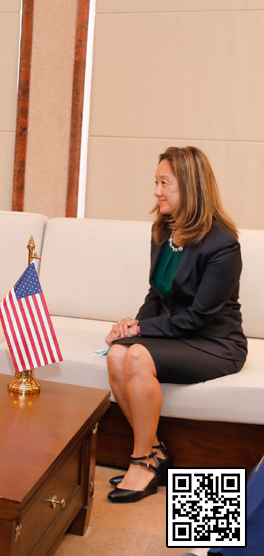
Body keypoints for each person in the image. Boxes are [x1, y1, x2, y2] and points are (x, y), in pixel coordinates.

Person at [105, 146, 246, 503]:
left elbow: (200, 316)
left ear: (190, 187)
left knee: (135, 356)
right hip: (178, 333)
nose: (156, 191)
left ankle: (143, 464)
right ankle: (156, 452)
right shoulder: (164, 231)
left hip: (214, 342)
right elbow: (157, 292)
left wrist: (141, 332)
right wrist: (133, 324)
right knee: (116, 354)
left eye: (164, 183)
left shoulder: (223, 244)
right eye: (156, 182)